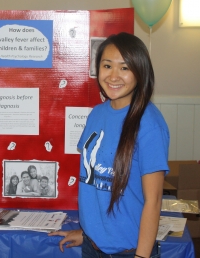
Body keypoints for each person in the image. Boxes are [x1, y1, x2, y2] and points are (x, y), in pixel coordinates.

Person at [50, 32, 169, 258]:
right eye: (107, 66)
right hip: (93, 247)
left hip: (129, 252)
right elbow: (94, 182)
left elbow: (153, 202)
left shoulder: (150, 125)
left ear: (140, 71)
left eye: (124, 68)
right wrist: (88, 235)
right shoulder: (96, 114)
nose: (114, 76)